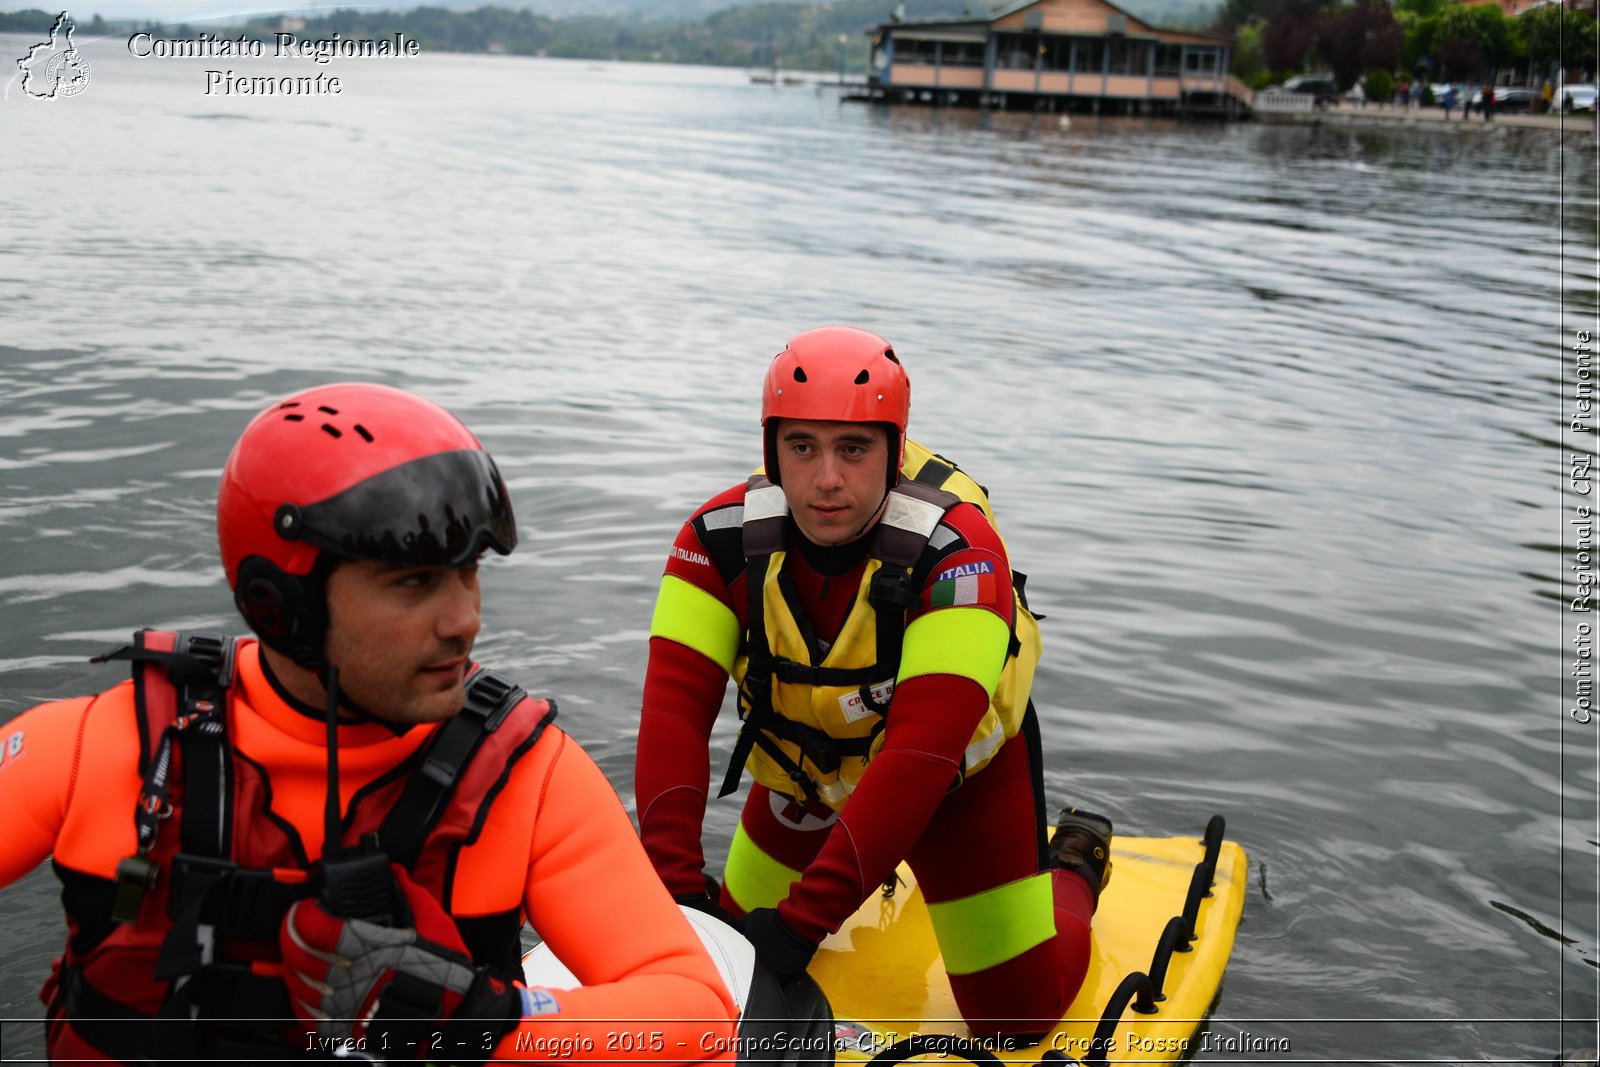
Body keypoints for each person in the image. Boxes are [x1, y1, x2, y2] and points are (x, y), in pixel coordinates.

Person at [0, 382, 738, 1063]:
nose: (466, 620)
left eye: (470, 570)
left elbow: (701, 1013)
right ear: (277, 604)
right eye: (414, 582)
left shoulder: (529, 778)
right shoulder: (100, 746)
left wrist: (482, 1021)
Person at [633, 326, 1110, 1045]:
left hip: (953, 786)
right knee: (730, 951)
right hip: (807, 775)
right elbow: (671, 713)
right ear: (771, 452)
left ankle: (1072, 862)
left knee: (1017, 1020)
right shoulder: (714, 540)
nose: (827, 479)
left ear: (892, 449)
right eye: (802, 447)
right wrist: (674, 889)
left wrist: (803, 921)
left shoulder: (961, 553)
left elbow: (917, 762)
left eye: (853, 449)